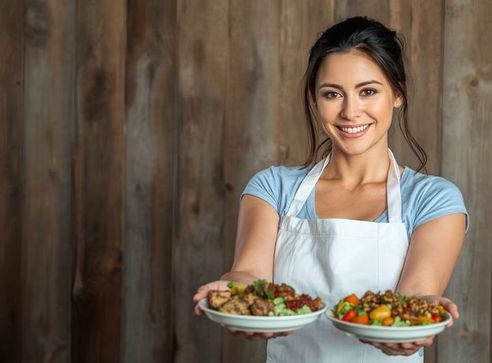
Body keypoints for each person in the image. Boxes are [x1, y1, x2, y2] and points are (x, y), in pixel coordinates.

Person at [193, 16, 468, 362]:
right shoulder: (273, 188)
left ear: (398, 94)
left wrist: (423, 314)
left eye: (368, 91)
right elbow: (249, 274)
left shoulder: (434, 199)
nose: (351, 112)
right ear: (315, 98)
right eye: (332, 94)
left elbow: (416, 296)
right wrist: (232, 293)